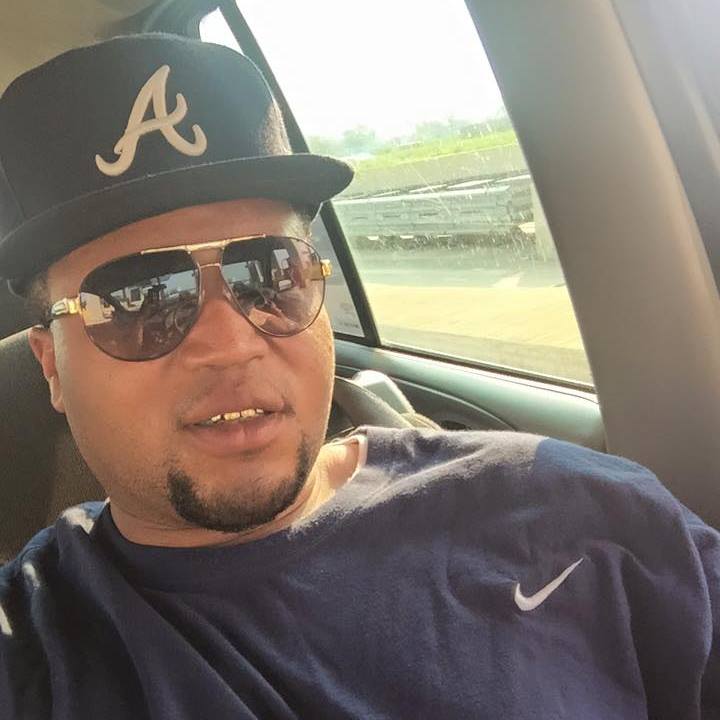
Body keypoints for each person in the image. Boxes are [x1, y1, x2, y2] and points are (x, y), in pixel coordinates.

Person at [0, 34, 717, 720]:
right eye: (137, 299)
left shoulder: (573, 508)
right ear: (51, 366)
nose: (231, 344)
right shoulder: (34, 648)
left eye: (270, 273)